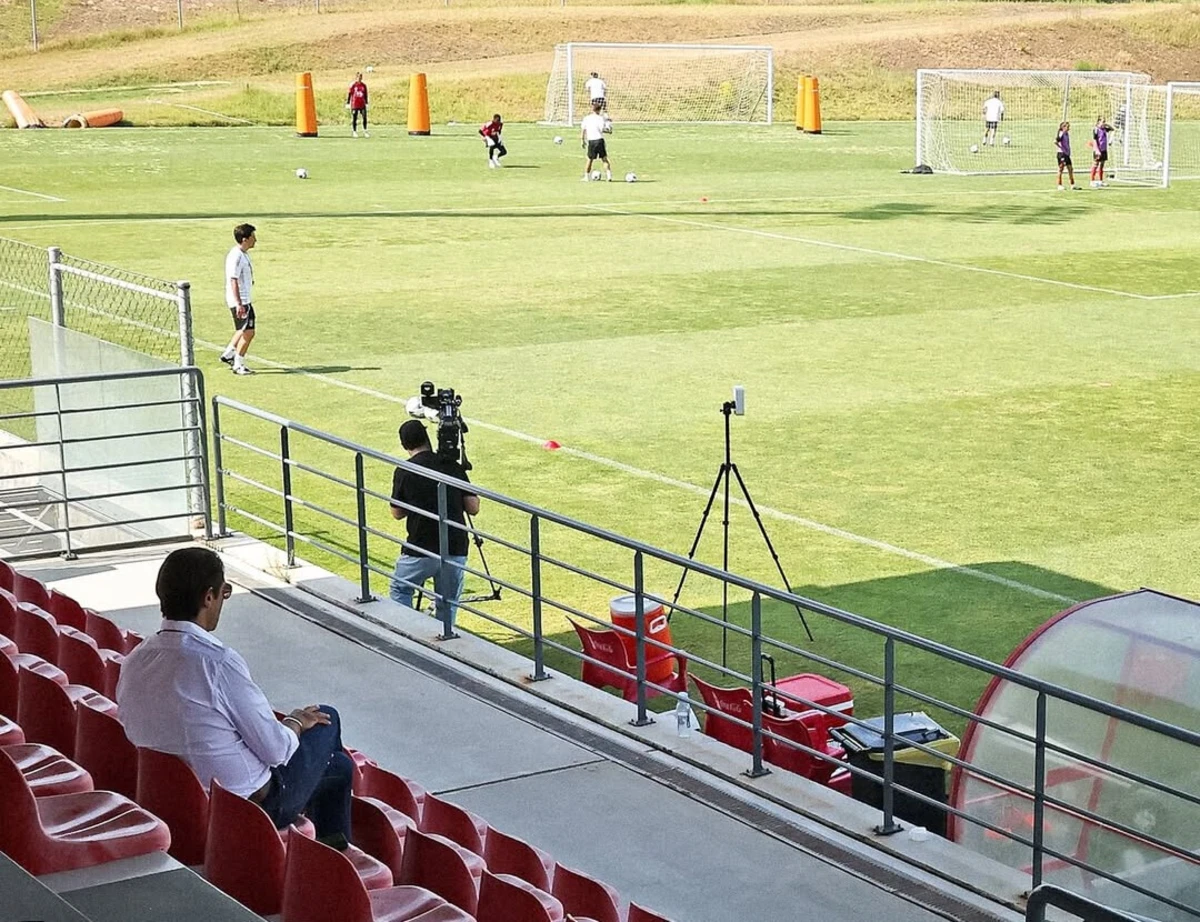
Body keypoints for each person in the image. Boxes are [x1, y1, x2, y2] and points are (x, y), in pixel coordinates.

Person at [116, 547, 353, 848]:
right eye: (224, 592)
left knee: (340, 769)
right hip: (247, 806)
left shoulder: (137, 658)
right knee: (327, 720)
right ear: (208, 597)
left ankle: (329, 850)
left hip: (168, 797)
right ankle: (325, 863)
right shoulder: (217, 663)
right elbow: (277, 750)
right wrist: (295, 721)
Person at [389, 420, 480, 629]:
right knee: (447, 602)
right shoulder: (450, 465)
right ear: (427, 438)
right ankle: (444, 637)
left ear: (404, 445)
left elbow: (396, 512)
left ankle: (406, 629)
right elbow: (473, 507)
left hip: (421, 547)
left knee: (401, 588)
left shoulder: (404, 470)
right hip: (455, 546)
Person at [220, 223, 257, 376]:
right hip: (241, 301)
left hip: (243, 299)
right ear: (244, 239)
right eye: (253, 237)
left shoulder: (241, 254)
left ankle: (228, 354)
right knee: (249, 332)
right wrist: (239, 303)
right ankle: (238, 363)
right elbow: (233, 279)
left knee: (241, 329)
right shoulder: (236, 256)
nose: (255, 240)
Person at [580, 102, 612, 182]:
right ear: (599, 110)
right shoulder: (600, 118)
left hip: (591, 141)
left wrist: (582, 140)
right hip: (599, 140)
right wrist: (609, 131)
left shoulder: (587, 118)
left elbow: (583, 130)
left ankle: (586, 177)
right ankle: (609, 176)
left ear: (592, 109)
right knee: (604, 159)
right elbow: (602, 130)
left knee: (589, 159)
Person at [1055, 121, 1078, 191]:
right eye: (1068, 127)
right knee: (1061, 169)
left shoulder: (1066, 134)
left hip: (1066, 154)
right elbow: (1055, 141)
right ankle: (1059, 185)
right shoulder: (1061, 134)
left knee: (1070, 169)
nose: (1069, 128)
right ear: (1063, 127)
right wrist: (1062, 148)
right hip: (1061, 154)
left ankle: (1072, 184)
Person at [1091, 115, 1113, 188]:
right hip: (1098, 150)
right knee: (1095, 164)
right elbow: (1094, 141)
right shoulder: (1096, 129)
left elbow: (1112, 129)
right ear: (1098, 121)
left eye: (1104, 122)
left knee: (1102, 165)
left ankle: (1100, 180)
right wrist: (1097, 150)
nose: (1104, 123)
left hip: (1104, 149)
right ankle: (1092, 180)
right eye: (1103, 121)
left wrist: (1106, 125)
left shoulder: (1104, 129)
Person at [346, 72, 369, 138]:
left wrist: (366, 103)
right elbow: (350, 94)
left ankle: (365, 131)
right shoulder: (353, 85)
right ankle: (354, 131)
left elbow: (365, 94)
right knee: (354, 118)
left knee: (364, 117)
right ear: (356, 78)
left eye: (360, 77)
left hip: (362, 104)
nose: (359, 78)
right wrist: (348, 102)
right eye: (358, 77)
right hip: (355, 104)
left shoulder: (363, 85)